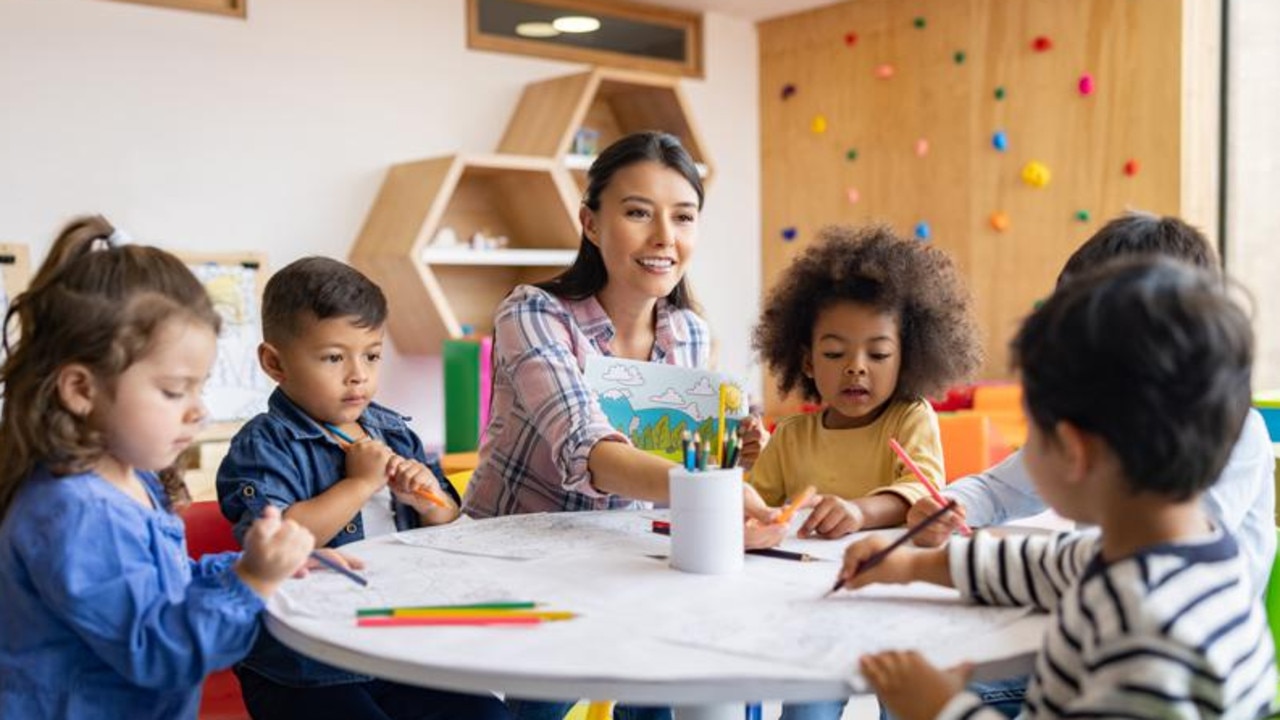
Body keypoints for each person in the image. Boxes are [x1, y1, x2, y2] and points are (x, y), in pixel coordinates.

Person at [844, 258, 1277, 719]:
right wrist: (913, 564)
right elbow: (1047, 565)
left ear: (1072, 449)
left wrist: (944, 708)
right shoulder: (1172, 552)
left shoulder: (1147, 637)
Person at [462, 131, 782, 720]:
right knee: (545, 700)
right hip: (519, 560)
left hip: (625, 557)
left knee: (708, 669)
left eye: (683, 217)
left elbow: (679, 461)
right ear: (589, 222)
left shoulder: (687, 331)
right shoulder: (533, 313)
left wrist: (728, 456)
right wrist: (711, 489)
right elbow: (590, 448)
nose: (665, 238)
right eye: (638, 213)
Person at [0, 216, 316, 719]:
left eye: (200, 386)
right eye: (174, 391)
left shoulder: (127, 480)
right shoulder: (75, 511)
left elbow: (164, 590)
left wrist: (252, 565)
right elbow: (160, 651)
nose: (199, 410)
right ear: (82, 390)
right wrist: (252, 581)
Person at [908, 213, 1275, 596]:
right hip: (1102, 606)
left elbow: (1154, 561)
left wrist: (955, 567)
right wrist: (952, 504)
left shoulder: (1233, 433)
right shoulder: (1094, 418)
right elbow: (1001, 488)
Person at [217, 257, 508, 720]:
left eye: (371, 355)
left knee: (490, 716)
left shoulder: (393, 431)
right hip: (304, 668)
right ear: (275, 362)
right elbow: (277, 544)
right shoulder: (262, 445)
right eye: (334, 357)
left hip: (398, 648)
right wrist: (360, 483)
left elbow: (451, 526)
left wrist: (430, 503)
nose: (358, 375)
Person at [749, 225, 981, 720]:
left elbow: (915, 495)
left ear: (906, 359)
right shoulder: (791, 436)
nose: (857, 368)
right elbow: (757, 505)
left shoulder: (910, 417)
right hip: (814, 608)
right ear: (807, 361)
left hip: (897, 605)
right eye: (835, 354)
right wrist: (751, 517)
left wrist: (858, 511)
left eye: (878, 354)